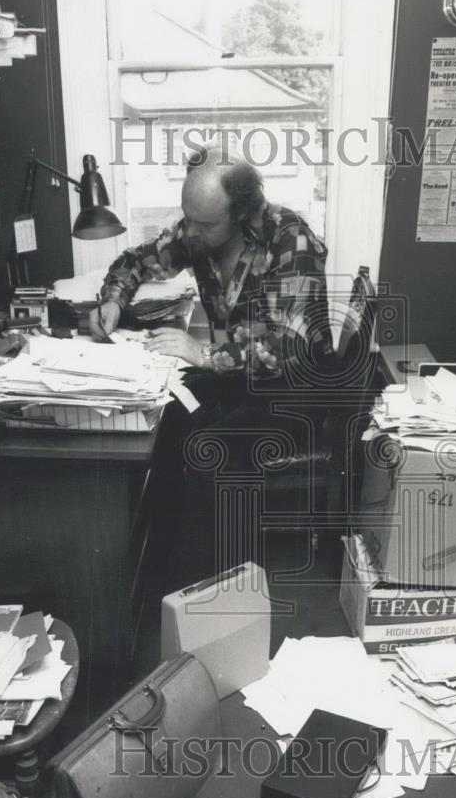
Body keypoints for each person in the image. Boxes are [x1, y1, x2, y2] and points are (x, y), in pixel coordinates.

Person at [89, 146, 334, 581]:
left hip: (294, 391)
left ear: (241, 215)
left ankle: (213, 585)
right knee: (165, 418)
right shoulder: (199, 234)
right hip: (238, 379)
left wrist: (202, 354)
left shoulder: (290, 239)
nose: (189, 232)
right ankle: (154, 566)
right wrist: (112, 300)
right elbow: (134, 262)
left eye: (203, 223)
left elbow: (287, 347)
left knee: (209, 450)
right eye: (186, 217)